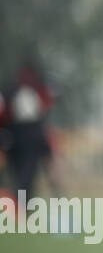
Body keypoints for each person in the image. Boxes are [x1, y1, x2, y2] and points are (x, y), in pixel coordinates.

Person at [0, 57, 57, 205]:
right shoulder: (24, 90)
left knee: (24, 176)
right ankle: (20, 204)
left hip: (22, 138)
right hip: (24, 138)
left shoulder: (19, 90)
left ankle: (22, 204)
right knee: (24, 176)